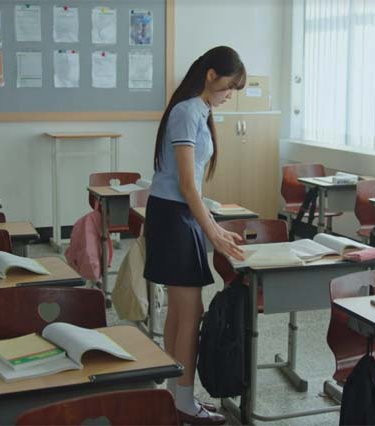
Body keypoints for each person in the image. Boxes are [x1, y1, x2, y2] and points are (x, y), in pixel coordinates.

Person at [144, 46, 246, 425]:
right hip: (174, 215)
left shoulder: (198, 110)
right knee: (191, 312)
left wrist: (214, 228)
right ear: (210, 75)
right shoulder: (187, 111)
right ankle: (185, 403)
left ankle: (175, 395)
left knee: (179, 312)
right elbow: (188, 186)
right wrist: (212, 232)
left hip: (177, 214)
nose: (230, 94)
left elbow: (193, 187)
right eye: (229, 86)